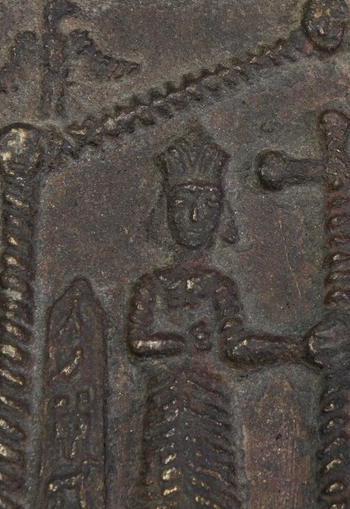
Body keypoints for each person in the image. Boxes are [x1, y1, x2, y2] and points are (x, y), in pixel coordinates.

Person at [126, 128, 297, 508]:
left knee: (212, 482)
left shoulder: (221, 285)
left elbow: (236, 344)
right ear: (165, 209)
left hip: (210, 399)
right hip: (167, 398)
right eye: (182, 203)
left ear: (222, 213)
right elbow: (137, 341)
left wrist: (295, 347)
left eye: (207, 204)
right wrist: (182, 342)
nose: (193, 217)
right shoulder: (151, 284)